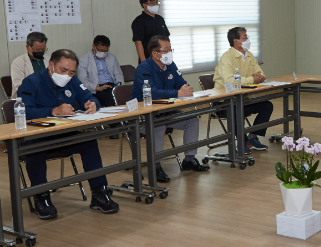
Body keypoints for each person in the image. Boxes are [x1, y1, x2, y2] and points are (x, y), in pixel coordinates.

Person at [16, 49, 120, 219]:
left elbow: (90, 97)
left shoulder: (72, 81)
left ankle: (99, 193)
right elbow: (23, 111)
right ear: (51, 65)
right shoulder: (32, 82)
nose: (67, 75)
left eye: (71, 72)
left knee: (89, 143)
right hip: (36, 135)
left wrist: (93, 104)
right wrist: (53, 111)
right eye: (63, 70)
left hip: (64, 134)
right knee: (34, 150)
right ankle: (41, 196)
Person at [130, 36, 210, 182]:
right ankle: (155, 166)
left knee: (192, 120)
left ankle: (189, 160)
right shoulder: (144, 69)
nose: (169, 53)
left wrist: (186, 89)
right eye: (166, 50)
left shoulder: (170, 65)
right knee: (158, 126)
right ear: (155, 53)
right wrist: (177, 93)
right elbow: (151, 92)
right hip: (142, 116)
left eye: (170, 49)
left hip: (166, 112)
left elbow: (181, 83)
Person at [213, 26, 273, 152]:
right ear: (236, 41)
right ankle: (242, 141)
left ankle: (253, 136)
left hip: (242, 97)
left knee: (267, 106)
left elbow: (260, 74)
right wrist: (252, 79)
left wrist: (259, 78)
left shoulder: (249, 55)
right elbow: (229, 80)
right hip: (224, 101)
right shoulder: (227, 57)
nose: (248, 40)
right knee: (235, 110)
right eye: (245, 37)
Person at [77, 35, 124, 107]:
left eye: (105, 51)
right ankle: (113, 117)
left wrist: (119, 86)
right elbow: (83, 81)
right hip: (97, 89)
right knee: (110, 97)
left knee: (127, 93)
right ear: (93, 47)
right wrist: (97, 88)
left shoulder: (112, 57)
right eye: (101, 51)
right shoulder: (83, 60)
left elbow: (118, 74)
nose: (103, 53)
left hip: (112, 86)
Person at [131, 0, 170, 64]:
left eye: (156, 2)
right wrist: (144, 62)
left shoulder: (160, 19)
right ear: (144, 5)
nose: (155, 5)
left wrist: (169, 54)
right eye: (152, 3)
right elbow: (138, 42)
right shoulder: (139, 21)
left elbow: (166, 38)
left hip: (164, 58)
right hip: (149, 59)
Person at [10, 31, 48, 98]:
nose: (40, 52)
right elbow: (19, 86)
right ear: (28, 47)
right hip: (28, 98)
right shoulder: (18, 62)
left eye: (43, 50)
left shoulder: (49, 60)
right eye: (37, 50)